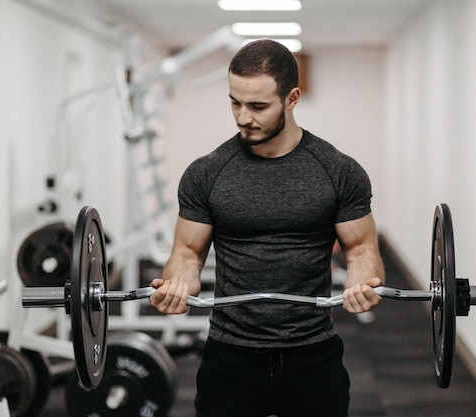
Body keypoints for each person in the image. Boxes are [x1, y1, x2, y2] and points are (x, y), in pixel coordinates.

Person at [149, 39, 385, 417]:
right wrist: (177, 284)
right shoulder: (206, 173)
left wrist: (363, 282)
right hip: (230, 354)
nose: (243, 117)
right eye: (235, 102)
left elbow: (361, 251)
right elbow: (187, 255)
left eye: (258, 106)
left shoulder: (339, 171)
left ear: (292, 98)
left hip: (312, 351)